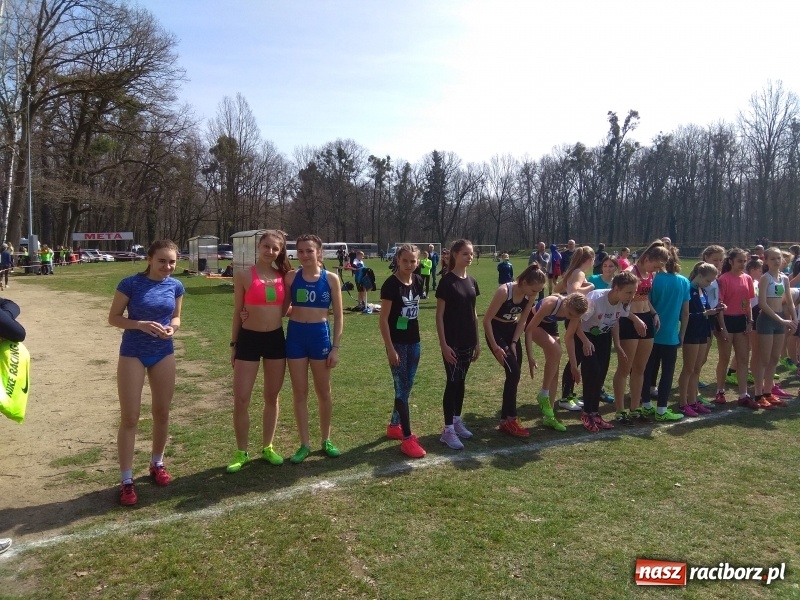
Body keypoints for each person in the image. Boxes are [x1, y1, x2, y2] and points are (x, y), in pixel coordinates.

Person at [108, 240, 184, 506]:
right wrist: (139, 324)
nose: (168, 266)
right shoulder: (130, 284)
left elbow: (176, 318)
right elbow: (114, 317)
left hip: (163, 352)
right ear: (149, 259)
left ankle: (157, 463)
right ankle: (126, 480)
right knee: (130, 417)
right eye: (162, 260)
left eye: (172, 261)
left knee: (162, 412)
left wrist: (172, 328)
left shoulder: (175, 286)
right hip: (133, 353)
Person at [226, 231, 292, 473]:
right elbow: (237, 311)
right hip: (248, 340)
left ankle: (268, 447)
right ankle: (241, 451)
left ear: (280, 251)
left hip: (275, 340)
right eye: (266, 246)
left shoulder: (284, 276)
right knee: (241, 398)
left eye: (275, 248)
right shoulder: (243, 275)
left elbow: (287, 309)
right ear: (258, 246)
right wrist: (234, 344)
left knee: (271, 397)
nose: (270, 252)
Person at [284, 235, 344, 463]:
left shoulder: (331, 279)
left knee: (323, 391)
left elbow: (338, 316)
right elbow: (280, 309)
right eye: (300, 251)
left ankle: (326, 439)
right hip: (296, 337)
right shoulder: (291, 277)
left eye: (309, 251)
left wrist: (335, 347)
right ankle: (304, 444)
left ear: (319, 252)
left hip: (320, 337)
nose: (305, 255)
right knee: (300, 393)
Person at [566, 271, 638, 432]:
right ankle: (586, 413)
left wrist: (617, 344)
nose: (632, 296)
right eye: (628, 292)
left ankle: (595, 413)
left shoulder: (623, 302)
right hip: (586, 336)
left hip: (603, 337)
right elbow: (576, 321)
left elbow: (615, 320)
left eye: (634, 292)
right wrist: (584, 341)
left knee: (600, 375)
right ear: (617, 288)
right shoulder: (596, 299)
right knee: (592, 372)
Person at [483, 263, 544, 437]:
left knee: (514, 375)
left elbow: (523, 320)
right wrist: (495, 346)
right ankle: (511, 419)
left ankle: (505, 421)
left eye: (538, 291)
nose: (535, 294)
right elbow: (487, 320)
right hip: (496, 331)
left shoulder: (530, 296)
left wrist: (514, 342)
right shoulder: (504, 291)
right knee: (514, 372)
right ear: (524, 282)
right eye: (533, 290)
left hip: (512, 332)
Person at [612, 240, 669, 424]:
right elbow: (620, 302)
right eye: (656, 265)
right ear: (646, 258)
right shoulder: (629, 273)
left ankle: (635, 408)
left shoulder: (649, 274)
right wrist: (634, 318)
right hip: (629, 321)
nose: (657, 270)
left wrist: (653, 313)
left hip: (645, 319)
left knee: (640, 368)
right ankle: (620, 410)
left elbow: (644, 297)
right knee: (624, 368)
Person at [380, 244, 426, 458]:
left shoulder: (418, 280)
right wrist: (390, 348)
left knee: (407, 387)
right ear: (398, 260)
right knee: (401, 388)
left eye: (413, 261)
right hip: (397, 344)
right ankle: (407, 438)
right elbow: (383, 320)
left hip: (413, 341)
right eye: (405, 260)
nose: (409, 265)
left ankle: (394, 425)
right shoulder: (391, 284)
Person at [436, 239, 479, 450]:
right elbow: (439, 316)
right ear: (454, 255)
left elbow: (474, 314)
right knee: (452, 382)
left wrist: (477, 341)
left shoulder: (472, 281)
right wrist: (444, 344)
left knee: (461, 381)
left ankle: (456, 420)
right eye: (465, 254)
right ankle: (447, 430)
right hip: (452, 342)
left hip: (468, 341)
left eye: (471, 254)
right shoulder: (446, 282)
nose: (469, 257)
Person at [524, 292, 589, 431]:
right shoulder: (551, 304)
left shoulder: (575, 313)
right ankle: (543, 394)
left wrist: (574, 365)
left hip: (550, 324)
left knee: (555, 368)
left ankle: (549, 416)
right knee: (556, 351)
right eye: (570, 315)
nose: (571, 318)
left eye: (575, 317)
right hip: (534, 322)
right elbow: (528, 330)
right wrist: (530, 356)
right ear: (566, 304)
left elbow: (569, 338)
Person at [639, 246, 688, 422]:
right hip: (670, 335)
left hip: (651, 333)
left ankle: (645, 405)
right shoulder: (683, 281)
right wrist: (682, 333)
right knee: (667, 373)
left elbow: (645, 303)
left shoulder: (653, 278)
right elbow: (685, 312)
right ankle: (661, 409)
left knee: (646, 370)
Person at [753, 247, 797, 407]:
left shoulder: (784, 278)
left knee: (774, 358)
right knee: (763, 359)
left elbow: (790, 302)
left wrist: (794, 319)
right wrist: (782, 320)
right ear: (766, 260)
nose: (777, 261)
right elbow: (762, 304)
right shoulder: (765, 278)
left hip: (780, 321)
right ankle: (758, 395)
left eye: (779, 258)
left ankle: (768, 392)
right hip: (767, 320)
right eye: (773, 258)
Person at [677, 262, 719, 415]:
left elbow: (703, 310)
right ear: (699, 276)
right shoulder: (688, 288)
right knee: (688, 368)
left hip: (703, 331)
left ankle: (693, 401)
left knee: (696, 368)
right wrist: (705, 314)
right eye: (708, 280)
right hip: (691, 332)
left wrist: (713, 311)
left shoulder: (703, 290)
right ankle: (683, 403)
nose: (710, 284)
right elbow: (683, 315)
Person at [715, 248, 755, 407]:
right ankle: (719, 391)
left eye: (744, 261)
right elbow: (719, 305)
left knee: (743, 358)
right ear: (730, 261)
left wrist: (750, 321)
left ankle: (743, 393)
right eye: (739, 261)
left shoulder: (747, 278)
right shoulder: (723, 279)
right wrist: (723, 327)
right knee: (724, 358)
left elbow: (748, 303)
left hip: (741, 322)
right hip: (726, 321)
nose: (742, 264)